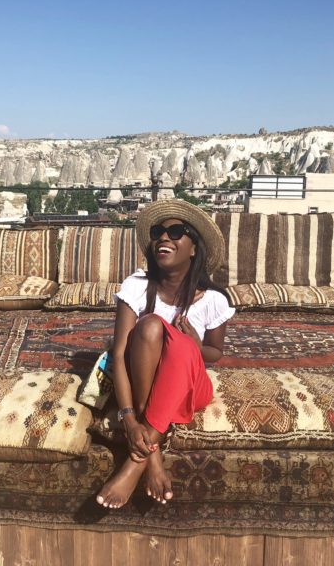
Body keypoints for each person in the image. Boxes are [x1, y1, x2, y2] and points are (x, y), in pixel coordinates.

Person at [95, 199, 234, 509]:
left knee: (182, 345)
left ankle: (135, 464)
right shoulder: (136, 286)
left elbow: (215, 353)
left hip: (191, 387)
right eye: (158, 232)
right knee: (150, 327)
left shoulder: (214, 299)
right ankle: (152, 455)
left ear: (194, 248)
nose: (163, 238)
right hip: (141, 380)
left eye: (176, 232)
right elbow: (119, 355)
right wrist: (129, 421)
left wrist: (195, 345)